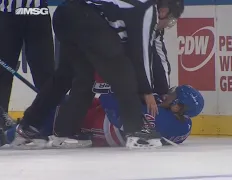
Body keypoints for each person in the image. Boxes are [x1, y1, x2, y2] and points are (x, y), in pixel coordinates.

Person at [11, 0, 184, 149]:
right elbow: (141, 54)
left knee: (70, 76)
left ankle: (33, 127)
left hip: (65, 15)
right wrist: (147, 91)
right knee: (123, 71)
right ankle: (137, 131)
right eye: (170, 20)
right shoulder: (148, 9)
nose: (167, 25)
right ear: (163, 11)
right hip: (86, 19)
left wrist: (161, 89)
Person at [0, 85, 204, 148]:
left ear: (178, 107)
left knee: (61, 108)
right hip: (109, 122)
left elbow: (110, 100)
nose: (169, 93)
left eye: (173, 96)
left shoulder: (163, 118)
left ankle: (11, 134)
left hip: (103, 126)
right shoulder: (184, 125)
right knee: (69, 103)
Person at [0, 0, 54, 113]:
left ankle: (46, 119)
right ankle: (1, 119)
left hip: (37, 12)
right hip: (7, 13)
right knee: (3, 72)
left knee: (45, 73)